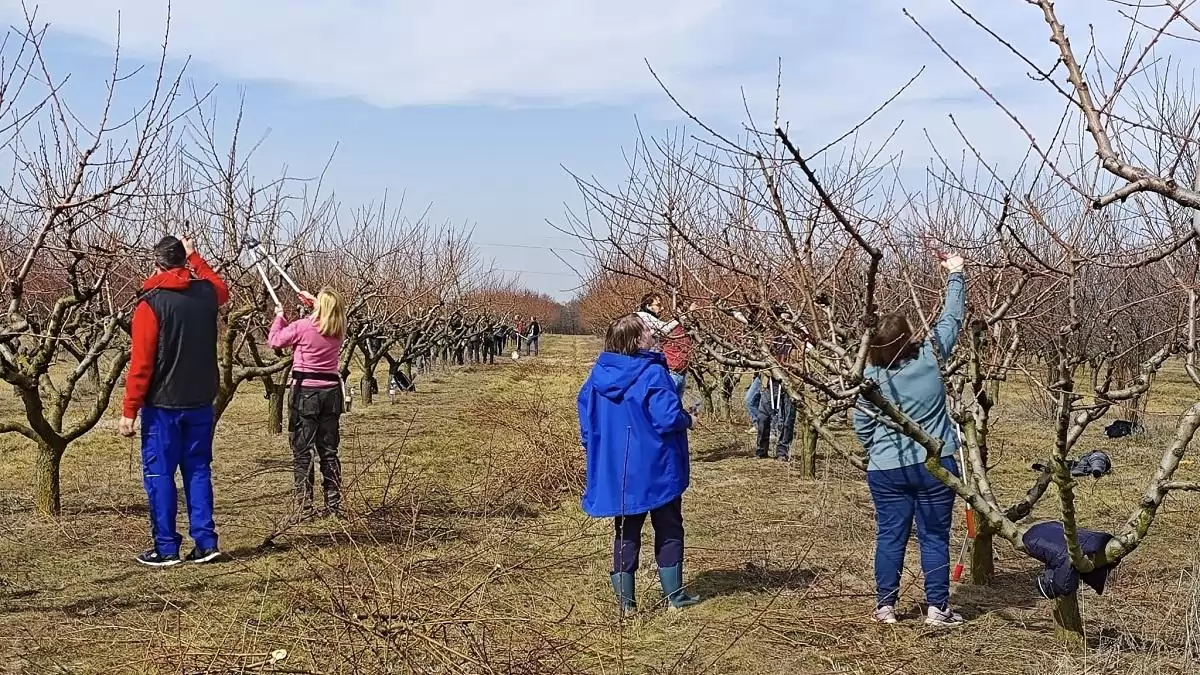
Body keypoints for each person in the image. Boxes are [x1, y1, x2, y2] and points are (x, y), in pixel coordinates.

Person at [854, 251, 966, 627]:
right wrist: (955, 273)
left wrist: (877, 451)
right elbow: (951, 318)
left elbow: (861, 424)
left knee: (890, 535)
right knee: (934, 535)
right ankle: (937, 607)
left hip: (886, 470)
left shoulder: (869, 377)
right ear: (907, 339)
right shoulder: (931, 358)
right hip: (935, 462)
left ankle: (885, 606)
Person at [578, 314, 700, 615]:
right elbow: (667, 417)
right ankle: (674, 597)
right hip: (657, 465)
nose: (653, 332)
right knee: (669, 526)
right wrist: (688, 419)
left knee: (626, 530)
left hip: (620, 470)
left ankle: (627, 604)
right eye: (647, 330)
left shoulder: (596, 377)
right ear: (636, 340)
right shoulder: (652, 373)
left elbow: (586, 422)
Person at [120, 235, 228, 567]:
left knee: (160, 474)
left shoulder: (150, 303)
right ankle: (206, 543)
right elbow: (219, 286)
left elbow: (141, 364)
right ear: (184, 262)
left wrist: (129, 410)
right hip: (199, 401)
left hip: (163, 406)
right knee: (197, 470)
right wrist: (196, 256)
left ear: (156, 264)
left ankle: (166, 547)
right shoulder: (206, 295)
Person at [269, 287, 348, 517]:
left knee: (303, 451)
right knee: (329, 451)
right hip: (331, 394)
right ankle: (333, 506)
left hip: (305, 393)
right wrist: (316, 301)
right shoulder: (339, 327)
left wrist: (279, 316)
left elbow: (275, 341)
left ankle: (304, 507)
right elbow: (332, 312)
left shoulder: (303, 326)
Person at [662, 324, 693, 399]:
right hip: (671, 372)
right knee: (669, 402)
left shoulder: (689, 330)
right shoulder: (669, 328)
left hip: (682, 373)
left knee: (677, 404)